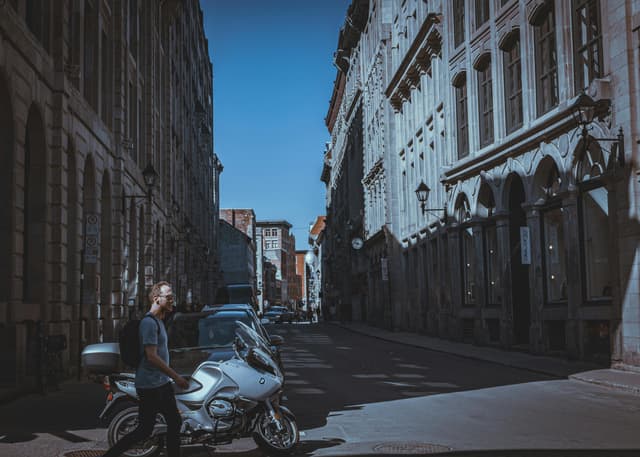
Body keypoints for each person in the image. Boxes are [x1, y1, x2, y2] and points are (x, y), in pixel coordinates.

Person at [103, 281, 189, 457]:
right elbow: (151, 356)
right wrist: (176, 377)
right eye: (169, 297)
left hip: (159, 383)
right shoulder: (149, 323)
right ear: (157, 299)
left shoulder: (158, 322)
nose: (173, 300)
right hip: (151, 385)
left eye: (173, 297)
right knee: (149, 428)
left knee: (171, 422)